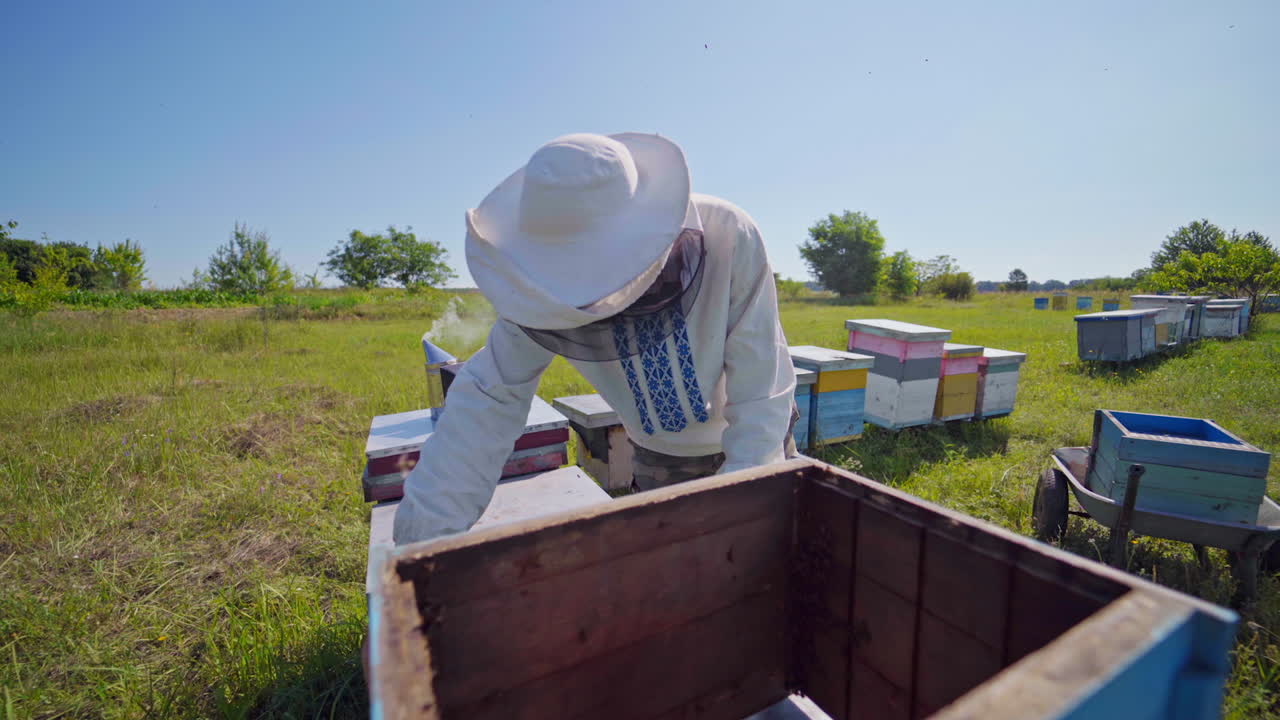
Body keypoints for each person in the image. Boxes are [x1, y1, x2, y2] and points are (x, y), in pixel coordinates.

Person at [393, 132, 795, 545]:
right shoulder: (535, 286)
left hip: (756, 433)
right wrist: (421, 546)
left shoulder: (729, 234)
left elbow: (760, 379)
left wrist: (748, 500)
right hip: (660, 453)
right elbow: (485, 402)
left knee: (767, 555)